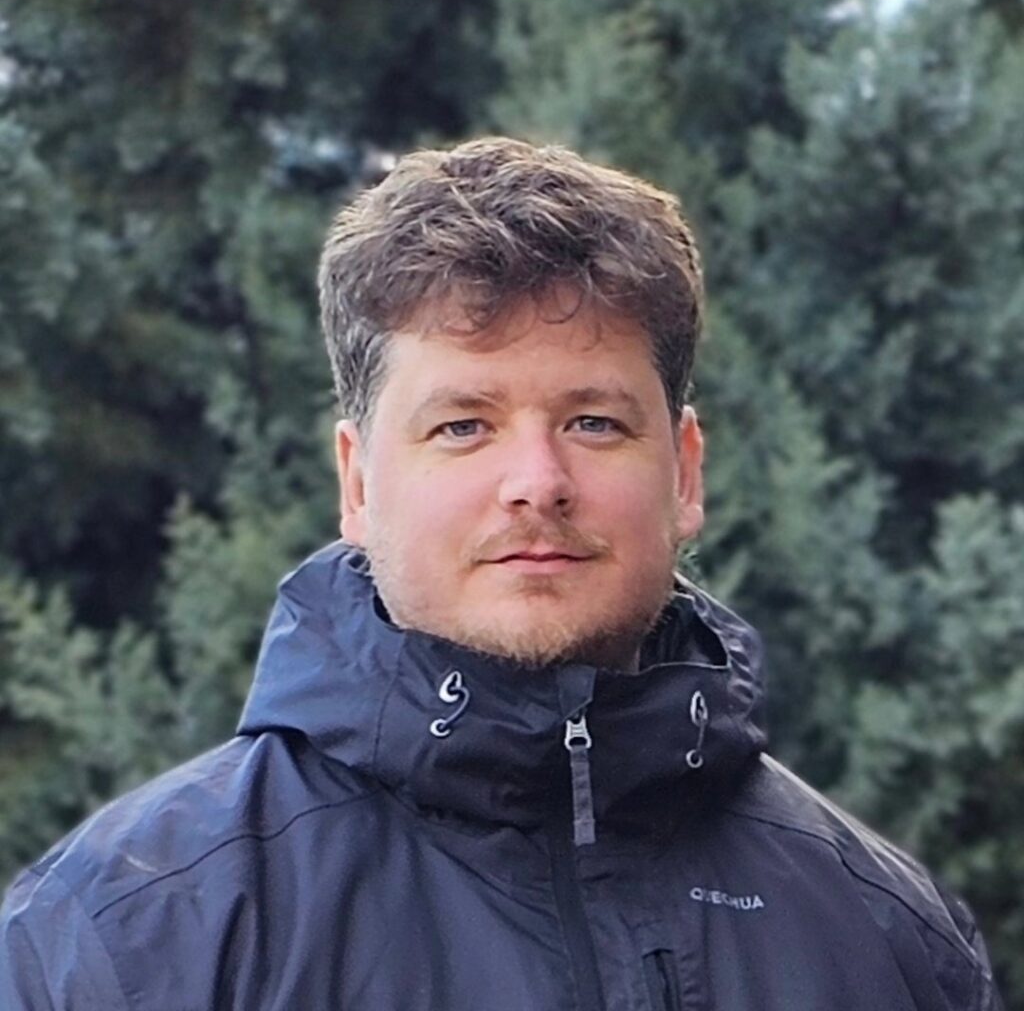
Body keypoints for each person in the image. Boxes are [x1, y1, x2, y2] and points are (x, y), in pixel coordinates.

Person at [0, 137, 1002, 1010]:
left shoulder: (887, 936)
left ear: (684, 472)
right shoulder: (124, 938)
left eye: (593, 422)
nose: (536, 483)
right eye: (463, 426)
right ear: (358, 482)